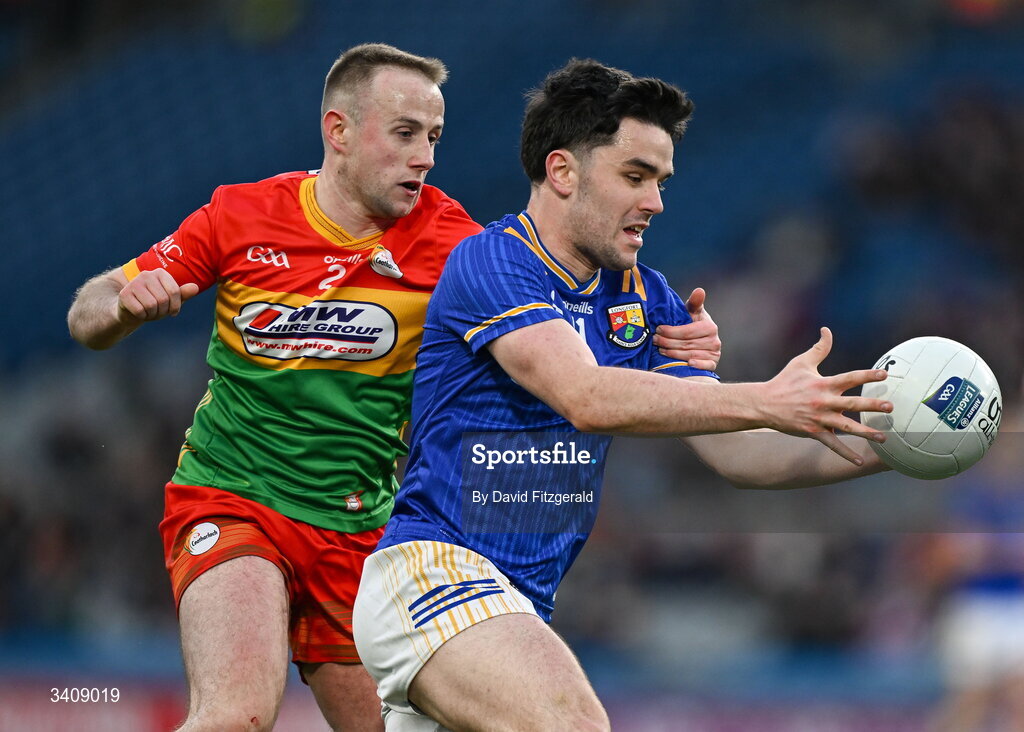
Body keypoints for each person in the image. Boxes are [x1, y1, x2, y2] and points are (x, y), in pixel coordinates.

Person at [66, 45, 720, 731]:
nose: (425, 156)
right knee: (236, 715)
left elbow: (562, 345)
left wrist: (662, 346)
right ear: (339, 131)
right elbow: (89, 313)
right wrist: (121, 304)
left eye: (434, 137)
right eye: (405, 133)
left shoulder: (459, 250)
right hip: (235, 499)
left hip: (363, 533)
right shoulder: (241, 216)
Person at [351, 58, 895, 731]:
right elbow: (586, 395)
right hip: (431, 574)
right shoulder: (492, 262)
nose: (656, 202)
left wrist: (897, 445)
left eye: (661, 181)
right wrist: (764, 397)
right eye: (635, 177)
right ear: (562, 172)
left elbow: (740, 456)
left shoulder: (647, 299)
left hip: (516, 606)